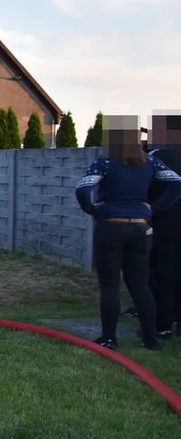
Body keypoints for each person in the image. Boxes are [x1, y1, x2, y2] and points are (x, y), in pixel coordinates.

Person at [75, 117, 181, 350]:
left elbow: (82, 188)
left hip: (111, 226)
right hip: (141, 228)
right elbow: (176, 183)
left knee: (110, 285)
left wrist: (92, 209)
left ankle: (109, 338)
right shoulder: (150, 163)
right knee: (140, 285)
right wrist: (154, 209)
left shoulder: (105, 162)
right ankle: (150, 339)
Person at [147, 113, 181, 338]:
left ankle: (163, 325)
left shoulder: (154, 158)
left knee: (162, 273)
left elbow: (145, 187)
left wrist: (153, 210)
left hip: (167, 221)